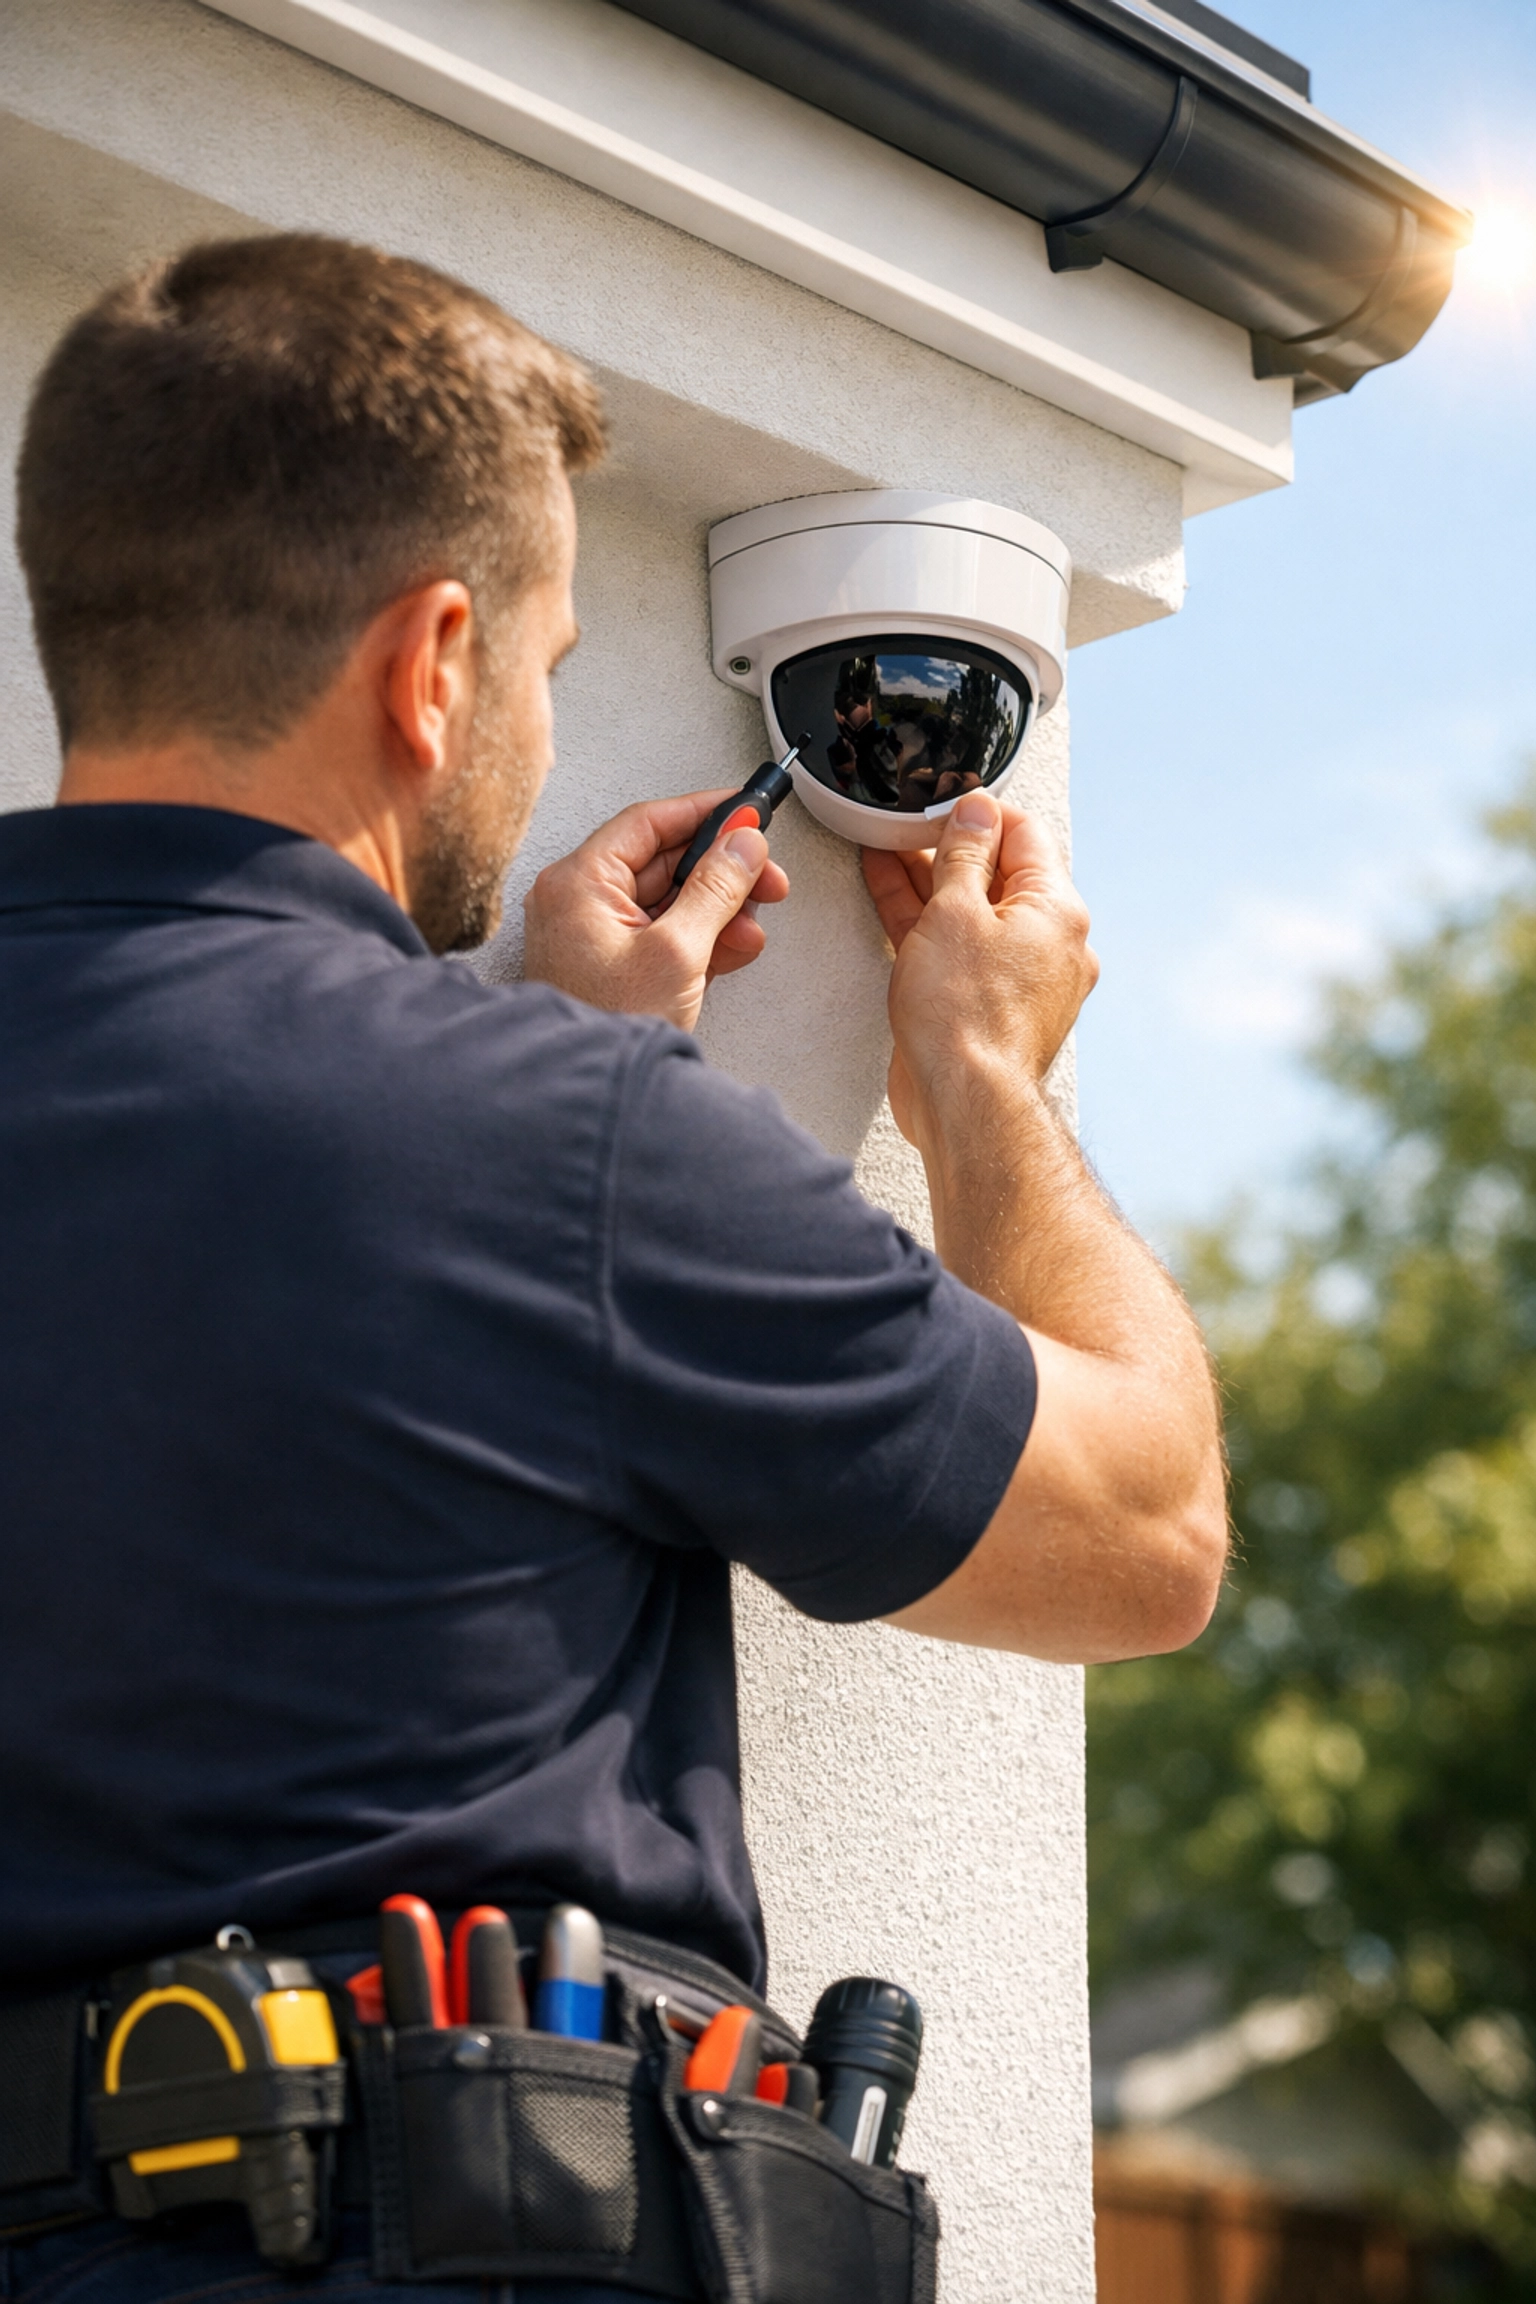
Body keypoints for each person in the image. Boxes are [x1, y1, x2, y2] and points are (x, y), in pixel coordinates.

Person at [0, 234, 1226, 2303]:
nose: (545, 724)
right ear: (435, 660)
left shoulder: (552, 1119)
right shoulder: (565, 1145)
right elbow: (1147, 1530)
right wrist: (986, 1084)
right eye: (556, 665)